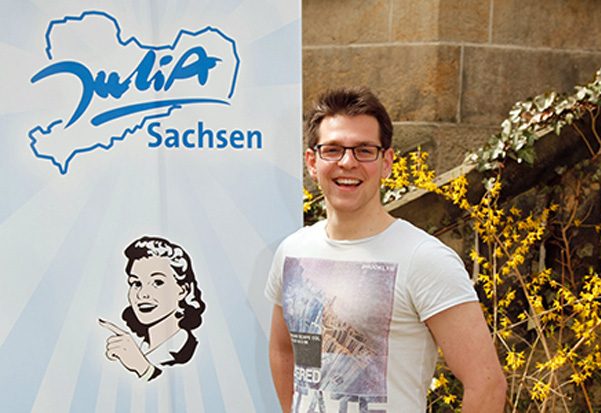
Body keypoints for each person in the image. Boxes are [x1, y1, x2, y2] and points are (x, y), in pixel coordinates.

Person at [265, 87, 506, 412]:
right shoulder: (292, 252)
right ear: (312, 162)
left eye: (364, 150)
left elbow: (486, 383)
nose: (347, 162)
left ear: (387, 162)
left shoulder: (424, 259)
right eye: (332, 150)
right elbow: (283, 351)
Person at [100, 236, 206, 381]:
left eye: (157, 282)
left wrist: (143, 368)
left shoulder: (188, 350)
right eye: (136, 283)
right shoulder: (139, 347)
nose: (142, 294)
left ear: (182, 290)